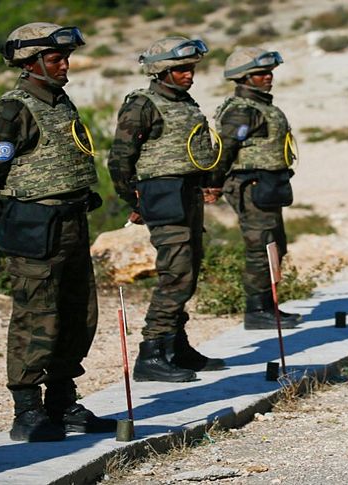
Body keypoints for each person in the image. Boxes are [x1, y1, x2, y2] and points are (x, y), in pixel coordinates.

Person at [0, 22, 115, 441]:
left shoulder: (60, 102)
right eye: (56, 59)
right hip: (34, 226)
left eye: (65, 57)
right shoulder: (12, 110)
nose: (65, 65)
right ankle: (27, 410)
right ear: (30, 63)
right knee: (37, 316)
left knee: (78, 313)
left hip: (72, 221)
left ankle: (62, 402)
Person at [107, 36, 225, 382]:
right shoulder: (142, 104)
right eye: (181, 69)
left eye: (190, 69)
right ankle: (153, 352)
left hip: (188, 194)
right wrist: (135, 201)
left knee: (190, 270)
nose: (189, 75)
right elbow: (119, 160)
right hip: (162, 195)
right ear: (161, 71)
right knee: (176, 274)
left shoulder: (185, 101)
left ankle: (176, 345)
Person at [209, 47, 302, 330]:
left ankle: (268, 304)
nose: (268, 78)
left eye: (269, 72)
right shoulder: (241, 112)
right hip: (251, 186)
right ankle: (257, 310)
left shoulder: (263, 107)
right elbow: (224, 150)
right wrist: (211, 184)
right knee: (260, 247)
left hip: (269, 185)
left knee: (276, 246)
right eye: (260, 74)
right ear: (243, 78)